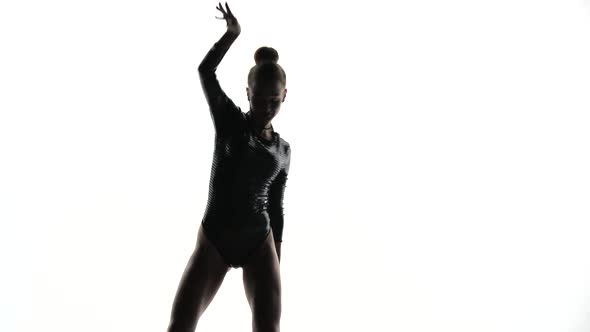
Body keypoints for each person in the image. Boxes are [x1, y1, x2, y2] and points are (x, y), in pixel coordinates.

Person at [167, 2, 291, 332]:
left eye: (274, 101)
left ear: (285, 96)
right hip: (216, 238)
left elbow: (277, 209)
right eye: (259, 99)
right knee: (180, 325)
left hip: (258, 242)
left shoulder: (283, 150)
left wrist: (275, 264)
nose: (266, 108)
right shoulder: (229, 121)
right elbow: (205, 72)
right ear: (247, 93)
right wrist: (231, 35)